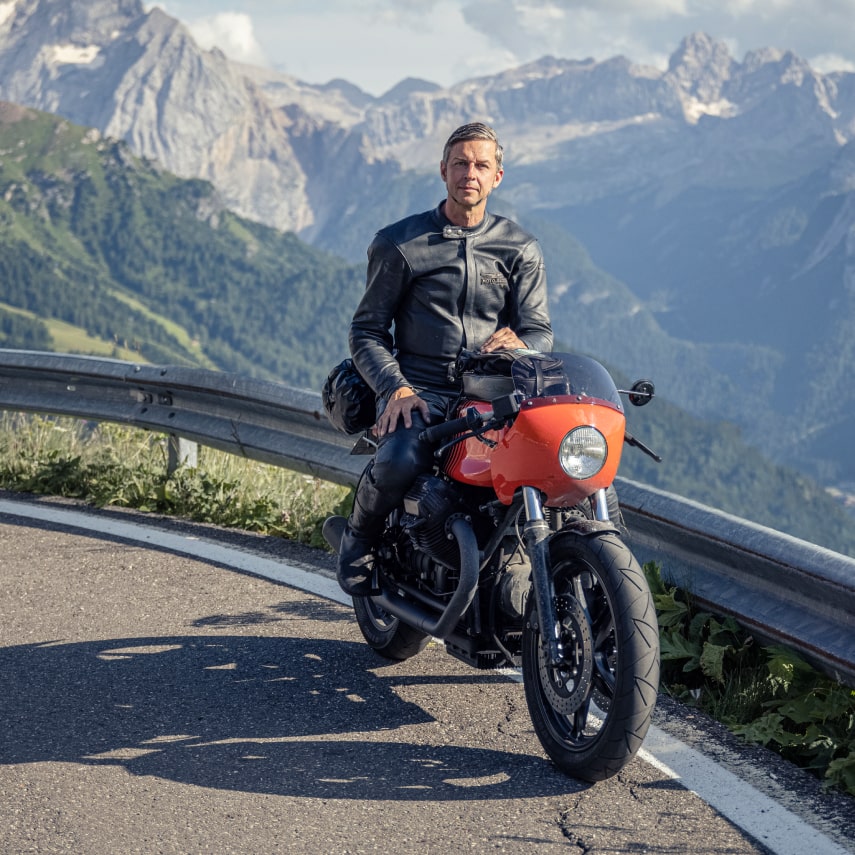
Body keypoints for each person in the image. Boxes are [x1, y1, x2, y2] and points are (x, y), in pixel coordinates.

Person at [337, 122, 553, 596]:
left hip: (493, 395)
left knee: (551, 462)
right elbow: (367, 330)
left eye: (481, 164)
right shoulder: (400, 243)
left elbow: (539, 331)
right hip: (421, 391)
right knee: (398, 459)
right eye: (460, 163)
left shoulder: (520, 249)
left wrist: (522, 346)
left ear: (498, 176)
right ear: (442, 170)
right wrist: (395, 387)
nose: (469, 173)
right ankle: (358, 540)